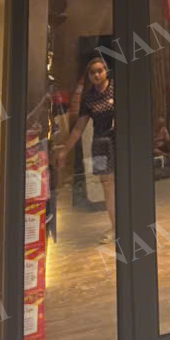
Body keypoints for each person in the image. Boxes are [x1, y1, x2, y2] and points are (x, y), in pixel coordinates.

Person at [56, 52, 116, 242]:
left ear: (106, 71)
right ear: (89, 76)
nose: (96, 75)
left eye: (100, 71)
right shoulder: (88, 98)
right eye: (92, 72)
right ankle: (115, 227)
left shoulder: (116, 89)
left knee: (124, 183)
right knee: (107, 187)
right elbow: (78, 129)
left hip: (118, 142)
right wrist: (64, 150)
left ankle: (130, 222)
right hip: (99, 145)